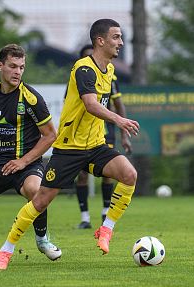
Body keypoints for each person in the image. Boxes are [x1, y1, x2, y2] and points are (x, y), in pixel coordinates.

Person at [0, 19, 140, 270]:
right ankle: (5, 250)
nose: (121, 42)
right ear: (100, 41)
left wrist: (117, 125)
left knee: (129, 174)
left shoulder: (111, 69)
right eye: (116, 37)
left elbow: (103, 104)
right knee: (40, 202)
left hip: (95, 146)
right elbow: (91, 104)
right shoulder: (83, 68)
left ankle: (105, 229)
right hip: (70, 149)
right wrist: (120, 120)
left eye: (121, 37)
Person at [0, 44, 62, 267]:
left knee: (35, 190)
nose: (17, 72)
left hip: (26, 164)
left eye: (21, 67)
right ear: (0, 66)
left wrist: (23, 161)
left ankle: (42, 240)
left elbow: (50, 136)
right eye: (12, 66)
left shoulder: (31, 98)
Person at [75, 44, 132, 229]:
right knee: (82, 175)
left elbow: (118, 104)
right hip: (82, 136)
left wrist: (124, 132)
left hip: (105, 130)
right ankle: (85, 218)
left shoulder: (110, 76)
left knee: (109, 173)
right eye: (86, 56)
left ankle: (105, 211)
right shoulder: (79, 76)